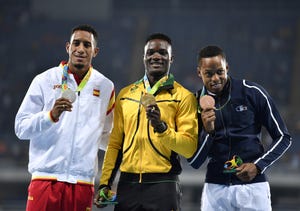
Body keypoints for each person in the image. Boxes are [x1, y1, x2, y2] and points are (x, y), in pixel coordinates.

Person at [14, 24, 115, 211]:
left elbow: (105, 137)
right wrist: (49, 116)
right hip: (45, 179)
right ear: (68, 47)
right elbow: (21, 128)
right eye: (76, 43)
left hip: (83, 184)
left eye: (87, 45)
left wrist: (131, 143)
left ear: (95, 51)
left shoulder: (105, 87)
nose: (81, 49)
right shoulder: (44, 80)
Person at [94, 33, 198, 210]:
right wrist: (105, 184)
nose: (156, 56)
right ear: (144, 57)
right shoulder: (126, 95)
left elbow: (189, 148)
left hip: (163, 186)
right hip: (128, 185)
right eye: (150, 52)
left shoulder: (184, 97)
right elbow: (115, 145)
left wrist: (161, 127)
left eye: (162, 52)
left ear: (171, 58)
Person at [187, 45, 292, 210]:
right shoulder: (192, 104)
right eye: (208, 73)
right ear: (199, 72)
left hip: (253, 187)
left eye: (220, 72)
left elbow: (284, 137)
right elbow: (194, 161)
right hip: (215, 190)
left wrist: (258, 166)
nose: (215, 78)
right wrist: (209, 132)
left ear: (227, 68)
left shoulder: (252, 93)